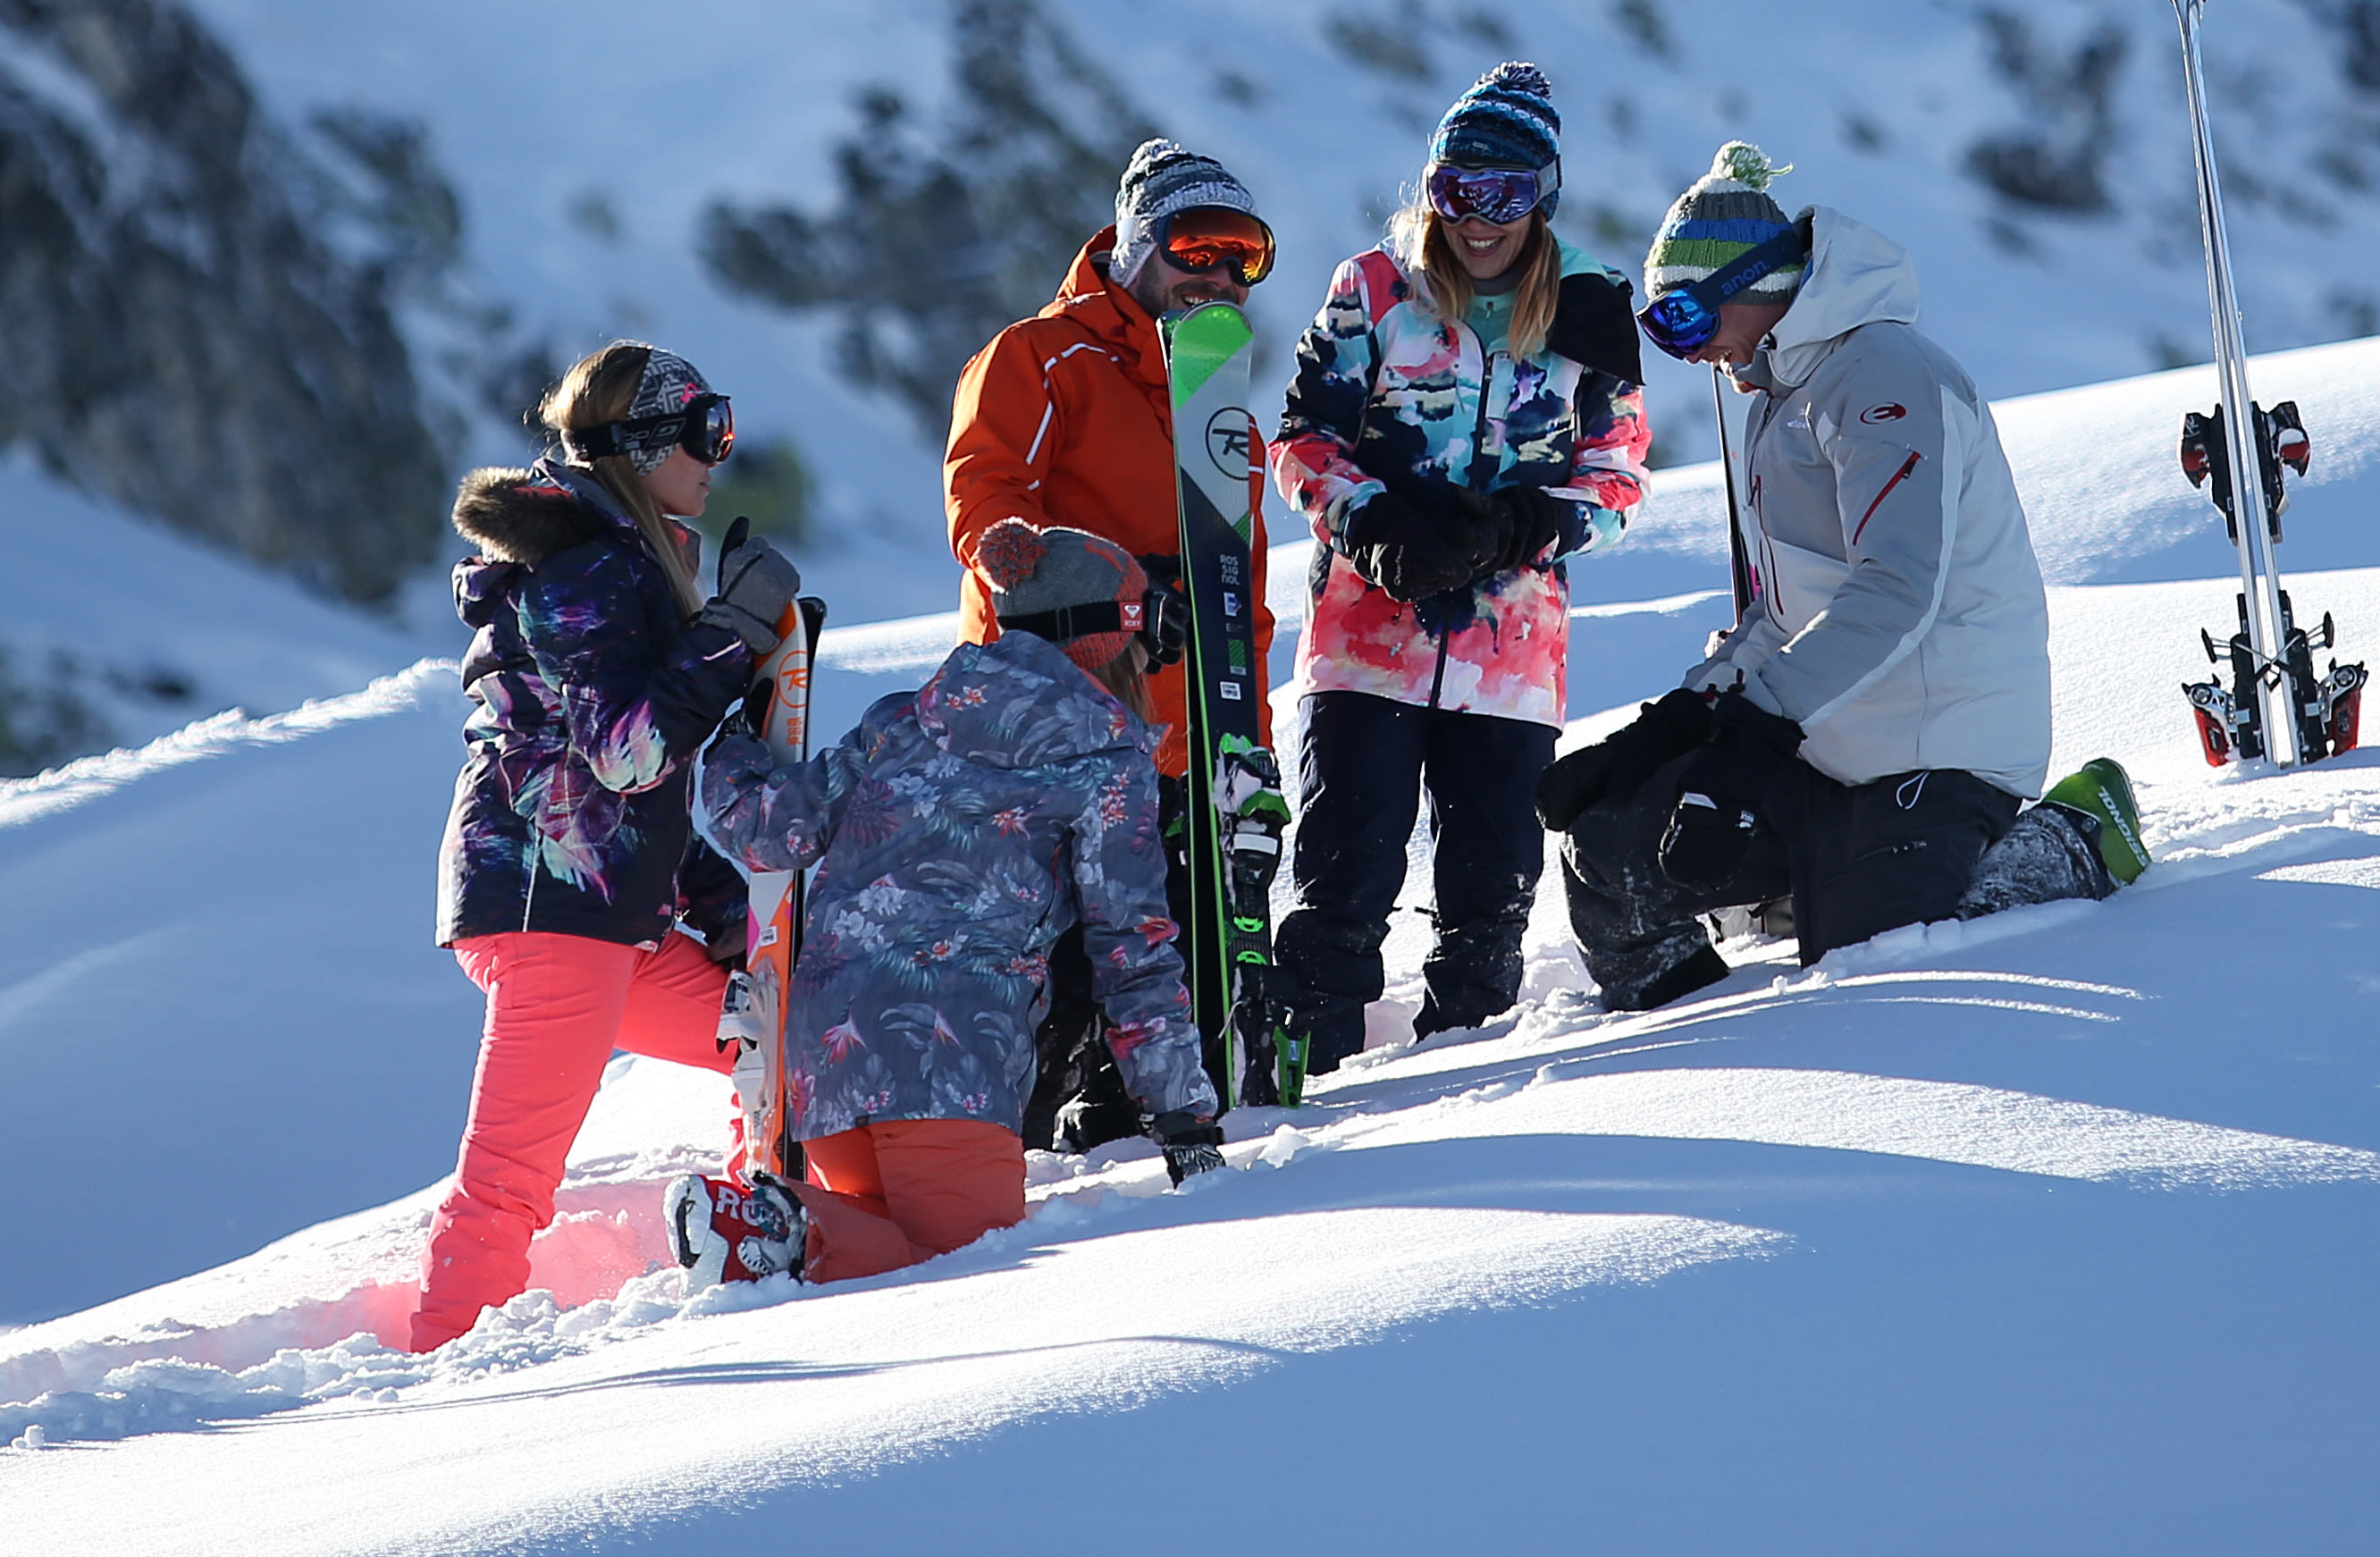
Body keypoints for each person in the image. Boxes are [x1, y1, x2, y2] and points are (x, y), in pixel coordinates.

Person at [1545, 145, 2146, 1012]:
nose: (1690, 351)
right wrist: (1672, 728)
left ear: (1756, 285)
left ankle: (2072, 834)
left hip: (1940, 746)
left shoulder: (1884, 377)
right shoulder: (1779, 399)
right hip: (1820, 745)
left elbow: (1895, 588)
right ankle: (1727, 1037)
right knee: (1610, 857)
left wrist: (1753, 737)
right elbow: (1776, 617)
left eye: (1682, 317)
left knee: (1875, 957)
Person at [672, 523, 1224, 1284]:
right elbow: (1131, 946)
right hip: (951, 1060)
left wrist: (734, 743)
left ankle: (777, 1223)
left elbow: (767, 830)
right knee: (963, 1273)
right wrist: (1181, 1113)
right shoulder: (1106, 757)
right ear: (1111, 641)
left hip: (827, 1062)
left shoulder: (903, 719)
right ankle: (779, 1229)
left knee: (886, 1270)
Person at [406, 342, 806, 1352]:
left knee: (771, 1042)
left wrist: (715, 900)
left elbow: (627, 790)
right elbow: (625, 754)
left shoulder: (614, 551)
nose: (719, 452)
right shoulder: (585, 563)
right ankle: (436, 1368)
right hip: (552, 912)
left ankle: (755, 1226)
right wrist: (729, 631)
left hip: (605, 910)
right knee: (508, 1183)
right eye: (702, 429)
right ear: (639, 445)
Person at [1269, 62, 1652, 1073]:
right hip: (1368, 639)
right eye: (1455, 192)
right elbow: (1301, 441)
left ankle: (1462, 1088)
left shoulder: (1587, 309)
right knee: (1344, 873)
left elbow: (1617, 479)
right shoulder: (1374, 290)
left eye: (1506, 195)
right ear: (1429, 193)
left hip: (1510, 653)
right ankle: (1302, 1077)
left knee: (1489, 892)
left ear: (1544, 195)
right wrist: (1373, 523)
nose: (1478, 220)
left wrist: (1524, 522)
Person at [939, 136, 1283, 1147]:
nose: (1218, 272)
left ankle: (1120, 1110)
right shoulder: (1041, 355)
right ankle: (985, 1149)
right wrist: (1038, 563)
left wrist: (1247, 744)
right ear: (1136, 244)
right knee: (1055, 950)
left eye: (1244, 256)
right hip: (1050, 726)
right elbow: (986, 483)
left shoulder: (1224, 418)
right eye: (1195, 244)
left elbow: (1240, 609)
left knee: (1155, 941)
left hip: (1177, 741)